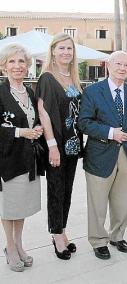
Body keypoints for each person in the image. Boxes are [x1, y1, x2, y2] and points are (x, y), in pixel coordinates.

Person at [78, 51, 127, 260]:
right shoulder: (93, 91)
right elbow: (84, 122)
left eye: (126, 65)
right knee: (97, 202)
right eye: (118, 64)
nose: (122, 68)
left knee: (122, 201)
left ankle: (117, 236)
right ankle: (98, 241)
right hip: (100, 154)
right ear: (108, 65)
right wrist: (110, 132)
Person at [36, 33, 83, 260]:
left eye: (69, 49)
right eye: (62, 48)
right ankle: (56, 236)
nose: (66, 52)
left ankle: (62, 230)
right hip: (56, 144)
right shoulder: (47, 77)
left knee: (67, 191)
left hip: (73, 145)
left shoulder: (73, 78)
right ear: (53, 51)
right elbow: (43, 113)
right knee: (56, 190)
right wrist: (52, 145)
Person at [0, 43, 45, 272]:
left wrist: (36, 129)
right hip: (7, 161)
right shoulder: (0, 91)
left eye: (21, 62)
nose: (17, 66)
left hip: (29, 159)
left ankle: (19, 244)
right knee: (9, 207)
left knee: (22, 206)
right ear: (4, 66)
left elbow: (33, 120)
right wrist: (20, 132)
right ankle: (9, 246)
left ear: (28, 66)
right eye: (12, 61)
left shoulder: (29, 91)